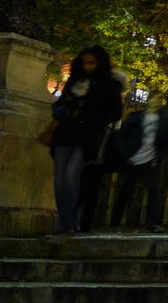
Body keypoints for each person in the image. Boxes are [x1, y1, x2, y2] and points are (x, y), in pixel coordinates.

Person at [48, 45, 125, 236]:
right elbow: (60, 103)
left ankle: (69, 220)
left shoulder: (109, 83)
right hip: (65, 132)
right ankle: (65, 221)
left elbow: (115, 111)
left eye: (92, 62)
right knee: (59, 179)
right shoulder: (75, 80)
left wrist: (94, 120)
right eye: (84, 62)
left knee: (71, 174)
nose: (88, 66)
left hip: (88, 135)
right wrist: (63, 110)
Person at [107, 95, 168, 231]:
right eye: (155, 99)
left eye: (159, 100)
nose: (157, 102)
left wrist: (159, 158)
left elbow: (166, 142)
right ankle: (115, 222)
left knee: (154, 192)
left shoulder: (163, 120)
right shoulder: (135, 117)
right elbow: (121, 136)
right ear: (149, 101)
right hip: (133, 159)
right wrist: (126, 155)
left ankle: (153, 223)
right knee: (125, 191)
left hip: (150, 160)